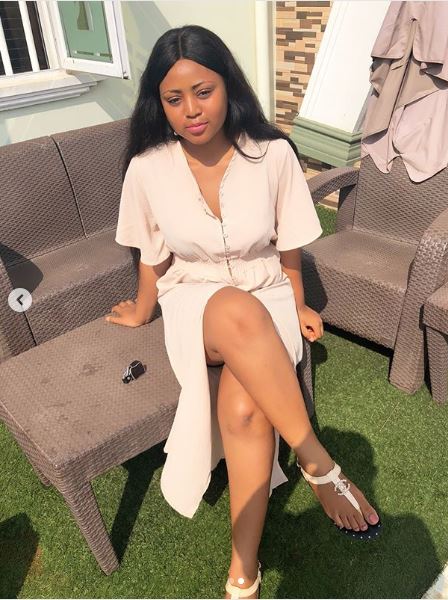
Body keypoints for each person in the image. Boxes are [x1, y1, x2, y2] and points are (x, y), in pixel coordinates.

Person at [106, 24, 380, 600]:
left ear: (228, 85)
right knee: (232, 308)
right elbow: (151, 256)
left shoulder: (272, 153)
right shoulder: (147, 168)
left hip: (268, 292)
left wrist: (298, 303)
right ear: (159, 104)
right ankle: (317, 463)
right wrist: (142, 309)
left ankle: (242, 570)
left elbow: (289, 245)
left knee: (245, 408)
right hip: (194, 301)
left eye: (203, 91)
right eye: (173, 99)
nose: (190, 110)